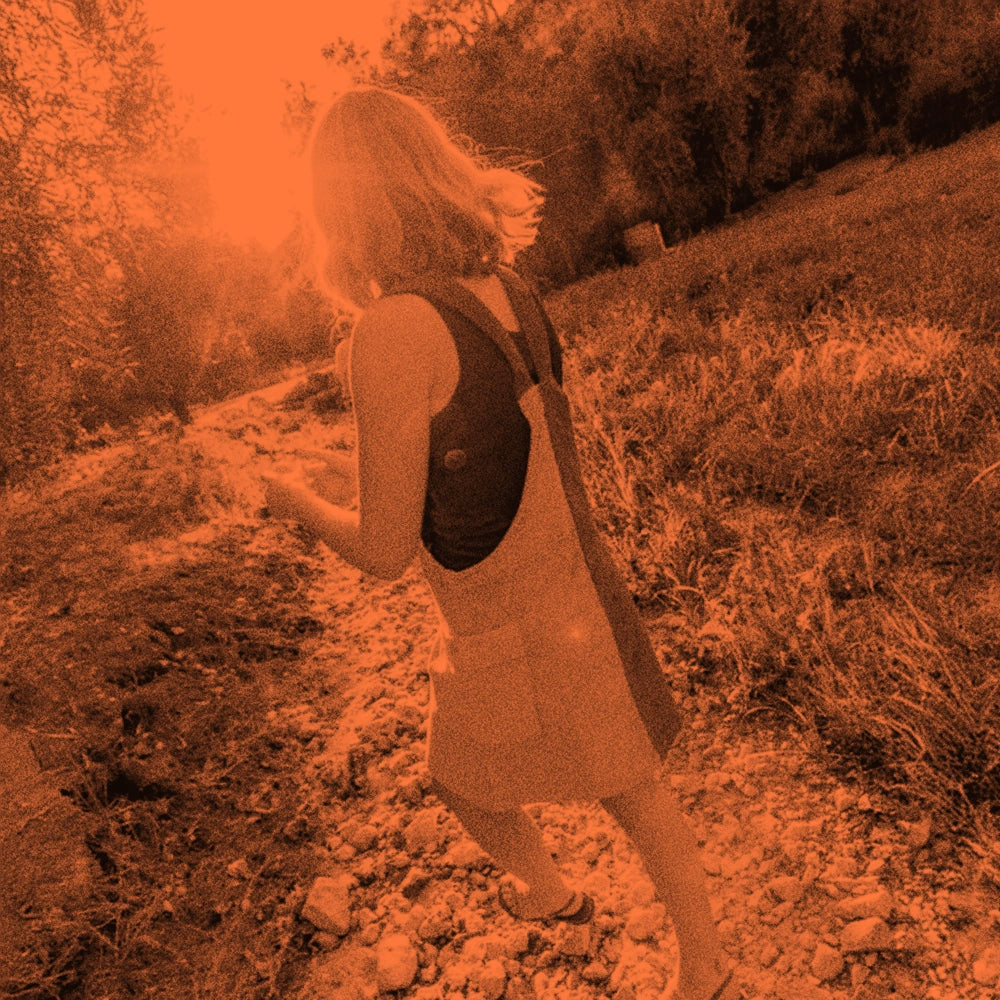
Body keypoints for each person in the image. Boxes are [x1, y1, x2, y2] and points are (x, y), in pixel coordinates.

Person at [263, 86, 747, 1000]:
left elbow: (383, 551)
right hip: (575, 587)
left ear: (342, 208)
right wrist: (351, 467)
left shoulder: (388, 329)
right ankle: (673, 949)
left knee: (463, 780)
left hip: (496, 615)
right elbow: (474, 439)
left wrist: (294, 502)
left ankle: (570, 900)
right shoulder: (508, 291)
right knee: (628, 787)